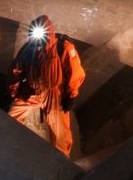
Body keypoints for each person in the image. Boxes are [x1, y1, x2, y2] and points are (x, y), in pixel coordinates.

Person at [7, 15, 86, 156]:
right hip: (32, 92)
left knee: (61, 135)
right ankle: (3, 142)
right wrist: (15, 90)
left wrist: (72, 95)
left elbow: (76, 73)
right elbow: (16, 69)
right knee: (11, 116)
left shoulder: (63, 48)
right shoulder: (28, 48)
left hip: (54, 96)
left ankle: (61, 162)